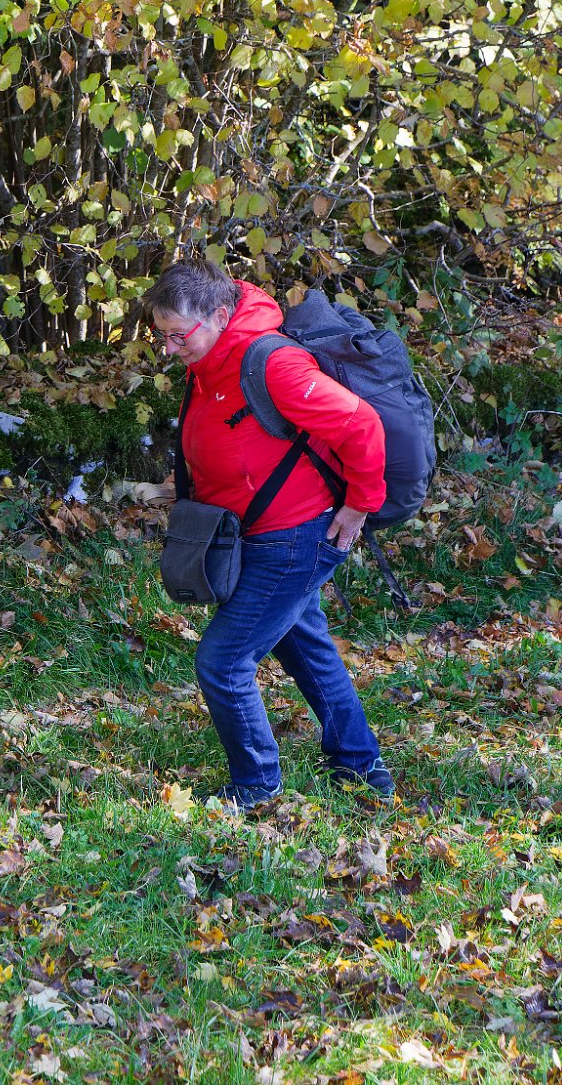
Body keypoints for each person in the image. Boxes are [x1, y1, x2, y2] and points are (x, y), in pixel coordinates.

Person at [146, 259, 395, 810]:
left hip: (294, 538)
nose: (168, 348)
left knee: (222, 661)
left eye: (177, 335)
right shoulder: (209, 359)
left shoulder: (272, 363)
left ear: (219, 315)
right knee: (307, 648)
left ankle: (257, 785)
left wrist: (359, 506)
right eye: (161, 335)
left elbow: (360, 424)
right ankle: (361, 766)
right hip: (256, 533)